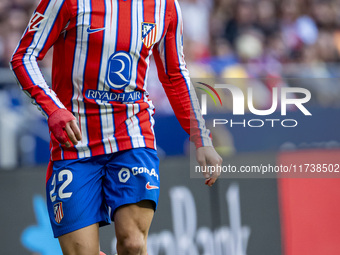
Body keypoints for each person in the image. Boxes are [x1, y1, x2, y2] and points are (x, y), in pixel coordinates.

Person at [10, 0, 222, 254]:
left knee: (133, 242)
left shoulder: (165, 6)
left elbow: (174, 74)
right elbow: (24, 56)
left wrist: (201, 138)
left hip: (132, 133)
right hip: (76, 142)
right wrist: (54, 109)